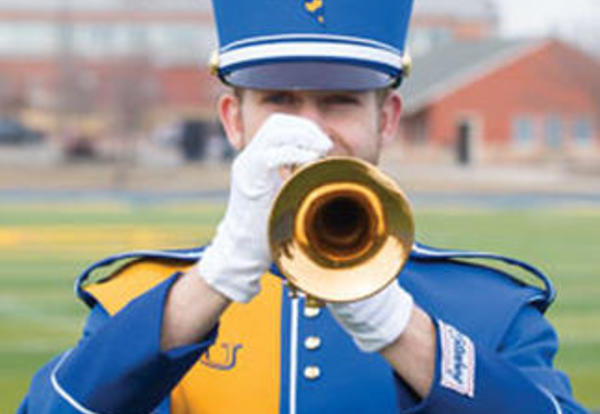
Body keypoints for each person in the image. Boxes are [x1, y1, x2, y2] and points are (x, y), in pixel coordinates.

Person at [19, 1, 587, 413]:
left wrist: (400, 329)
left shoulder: (492, 308)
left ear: (386, 120)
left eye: (339, 102)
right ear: (233, 120)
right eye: (279, 101)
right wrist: (214, 279)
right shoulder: (138, 304)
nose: (310, 131)